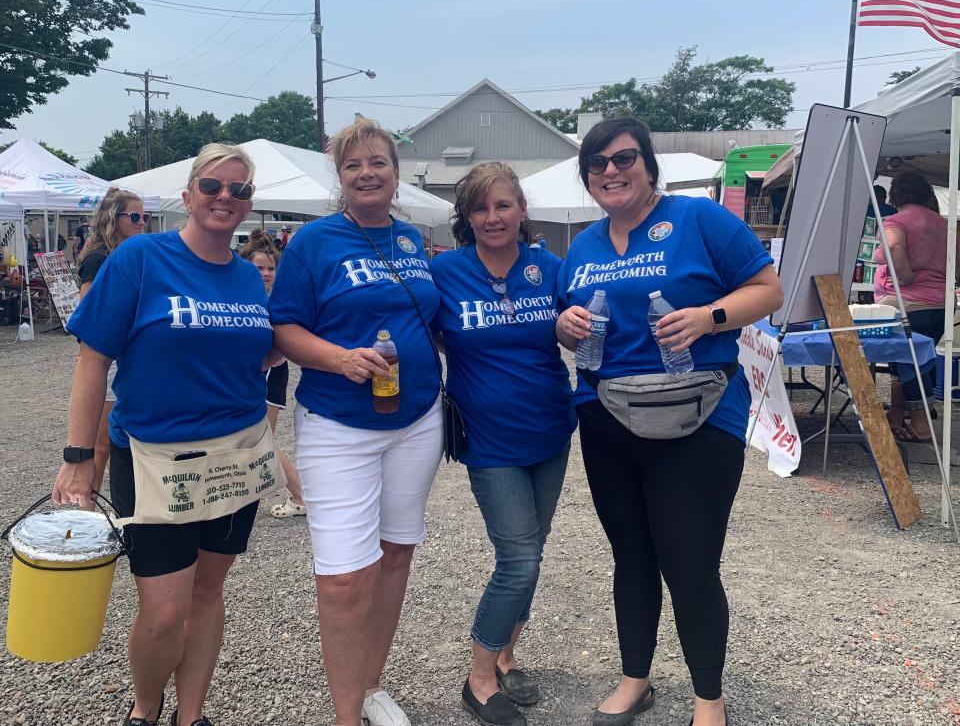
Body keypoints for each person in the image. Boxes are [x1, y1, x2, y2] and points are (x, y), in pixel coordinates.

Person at [555, 117, 783, 726]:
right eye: (597, 163)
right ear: (588, 178)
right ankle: (636, 678)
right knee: (631, 555)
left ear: (649, 165)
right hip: (607, 419)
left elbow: (768, 289)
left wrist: (710, 317)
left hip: (699, 418)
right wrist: (564, 327)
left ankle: (709, 698)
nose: (611, 171)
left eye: (624, 158)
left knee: (689, 558)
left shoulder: (698, 220)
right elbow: (565, 319)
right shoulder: (583, 245)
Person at [52, 143, 274, 726]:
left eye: (240, 189)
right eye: (213, 186)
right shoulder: (141, 259)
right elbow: (92, 358)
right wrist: (79, 457)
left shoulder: (250, 278)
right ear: (188, 195)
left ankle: (191, 715)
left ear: (248, 204)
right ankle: (145, 709)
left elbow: (262, 352)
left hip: (236, 455)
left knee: (206, 593)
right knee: (163, 611)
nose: (226, 197)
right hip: (153, 456)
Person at [270, 118, 443, 726]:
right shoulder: (314, 242)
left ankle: (371, 686)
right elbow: (285, 327)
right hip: (338, 423)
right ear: (339, 178)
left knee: (396, 555)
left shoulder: (412, 239)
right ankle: (346, 716)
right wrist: (339, 358)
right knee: (344, 577)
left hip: (417, 419)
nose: (367, 173)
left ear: (396, 173)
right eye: (353, 165)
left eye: (378, 163)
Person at [431, 163, 575, 726]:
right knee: (518, 560)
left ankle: (510, 654)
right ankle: (479, 673)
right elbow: (422, 333)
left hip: (551, 431)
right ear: (467, 217)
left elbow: (584, 319)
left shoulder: (549, 267)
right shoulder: (446, 273)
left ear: (521, 211)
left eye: (503, 205)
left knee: (532, 553)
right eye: (480, 208)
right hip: (489, 442)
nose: (493, 217)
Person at [77, 187, 150, 494]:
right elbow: (90, 314)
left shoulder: (135, 254)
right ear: (113, 218)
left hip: (132, 358)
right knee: (102, 443)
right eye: (134, 216)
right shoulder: (99, 257)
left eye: (144, 216)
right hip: (109, 358)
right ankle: (89, 509)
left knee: (119, 439)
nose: (142, 222)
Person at [874, 171, 956, 443]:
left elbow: (895, 246)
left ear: (896, 193)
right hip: (941, 304)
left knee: (908, 363)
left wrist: (905, 275)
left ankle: (921, 425)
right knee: (914, 360)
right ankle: (895, 416)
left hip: (909, 302)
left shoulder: (895, 221)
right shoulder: (945, 225)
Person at [238, 229, 305, 518]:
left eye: (270, 268)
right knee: (250, 441)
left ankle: (301, 495)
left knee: (262, 440)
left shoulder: (274, 301)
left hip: (269, 375)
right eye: (259, 268)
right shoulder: (239, 296)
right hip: (250, 376)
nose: (266, 274)